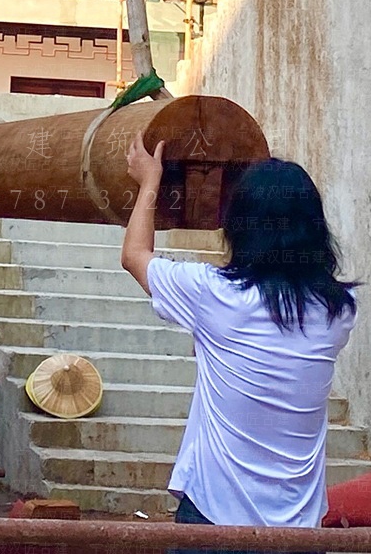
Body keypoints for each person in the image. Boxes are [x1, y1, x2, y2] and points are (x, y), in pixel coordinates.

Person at [121, 132, 357, 554]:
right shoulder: (340, 311)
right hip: (299, 533)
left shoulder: (215, 295)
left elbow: (135, 254)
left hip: (214, 523)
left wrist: (149, 181)